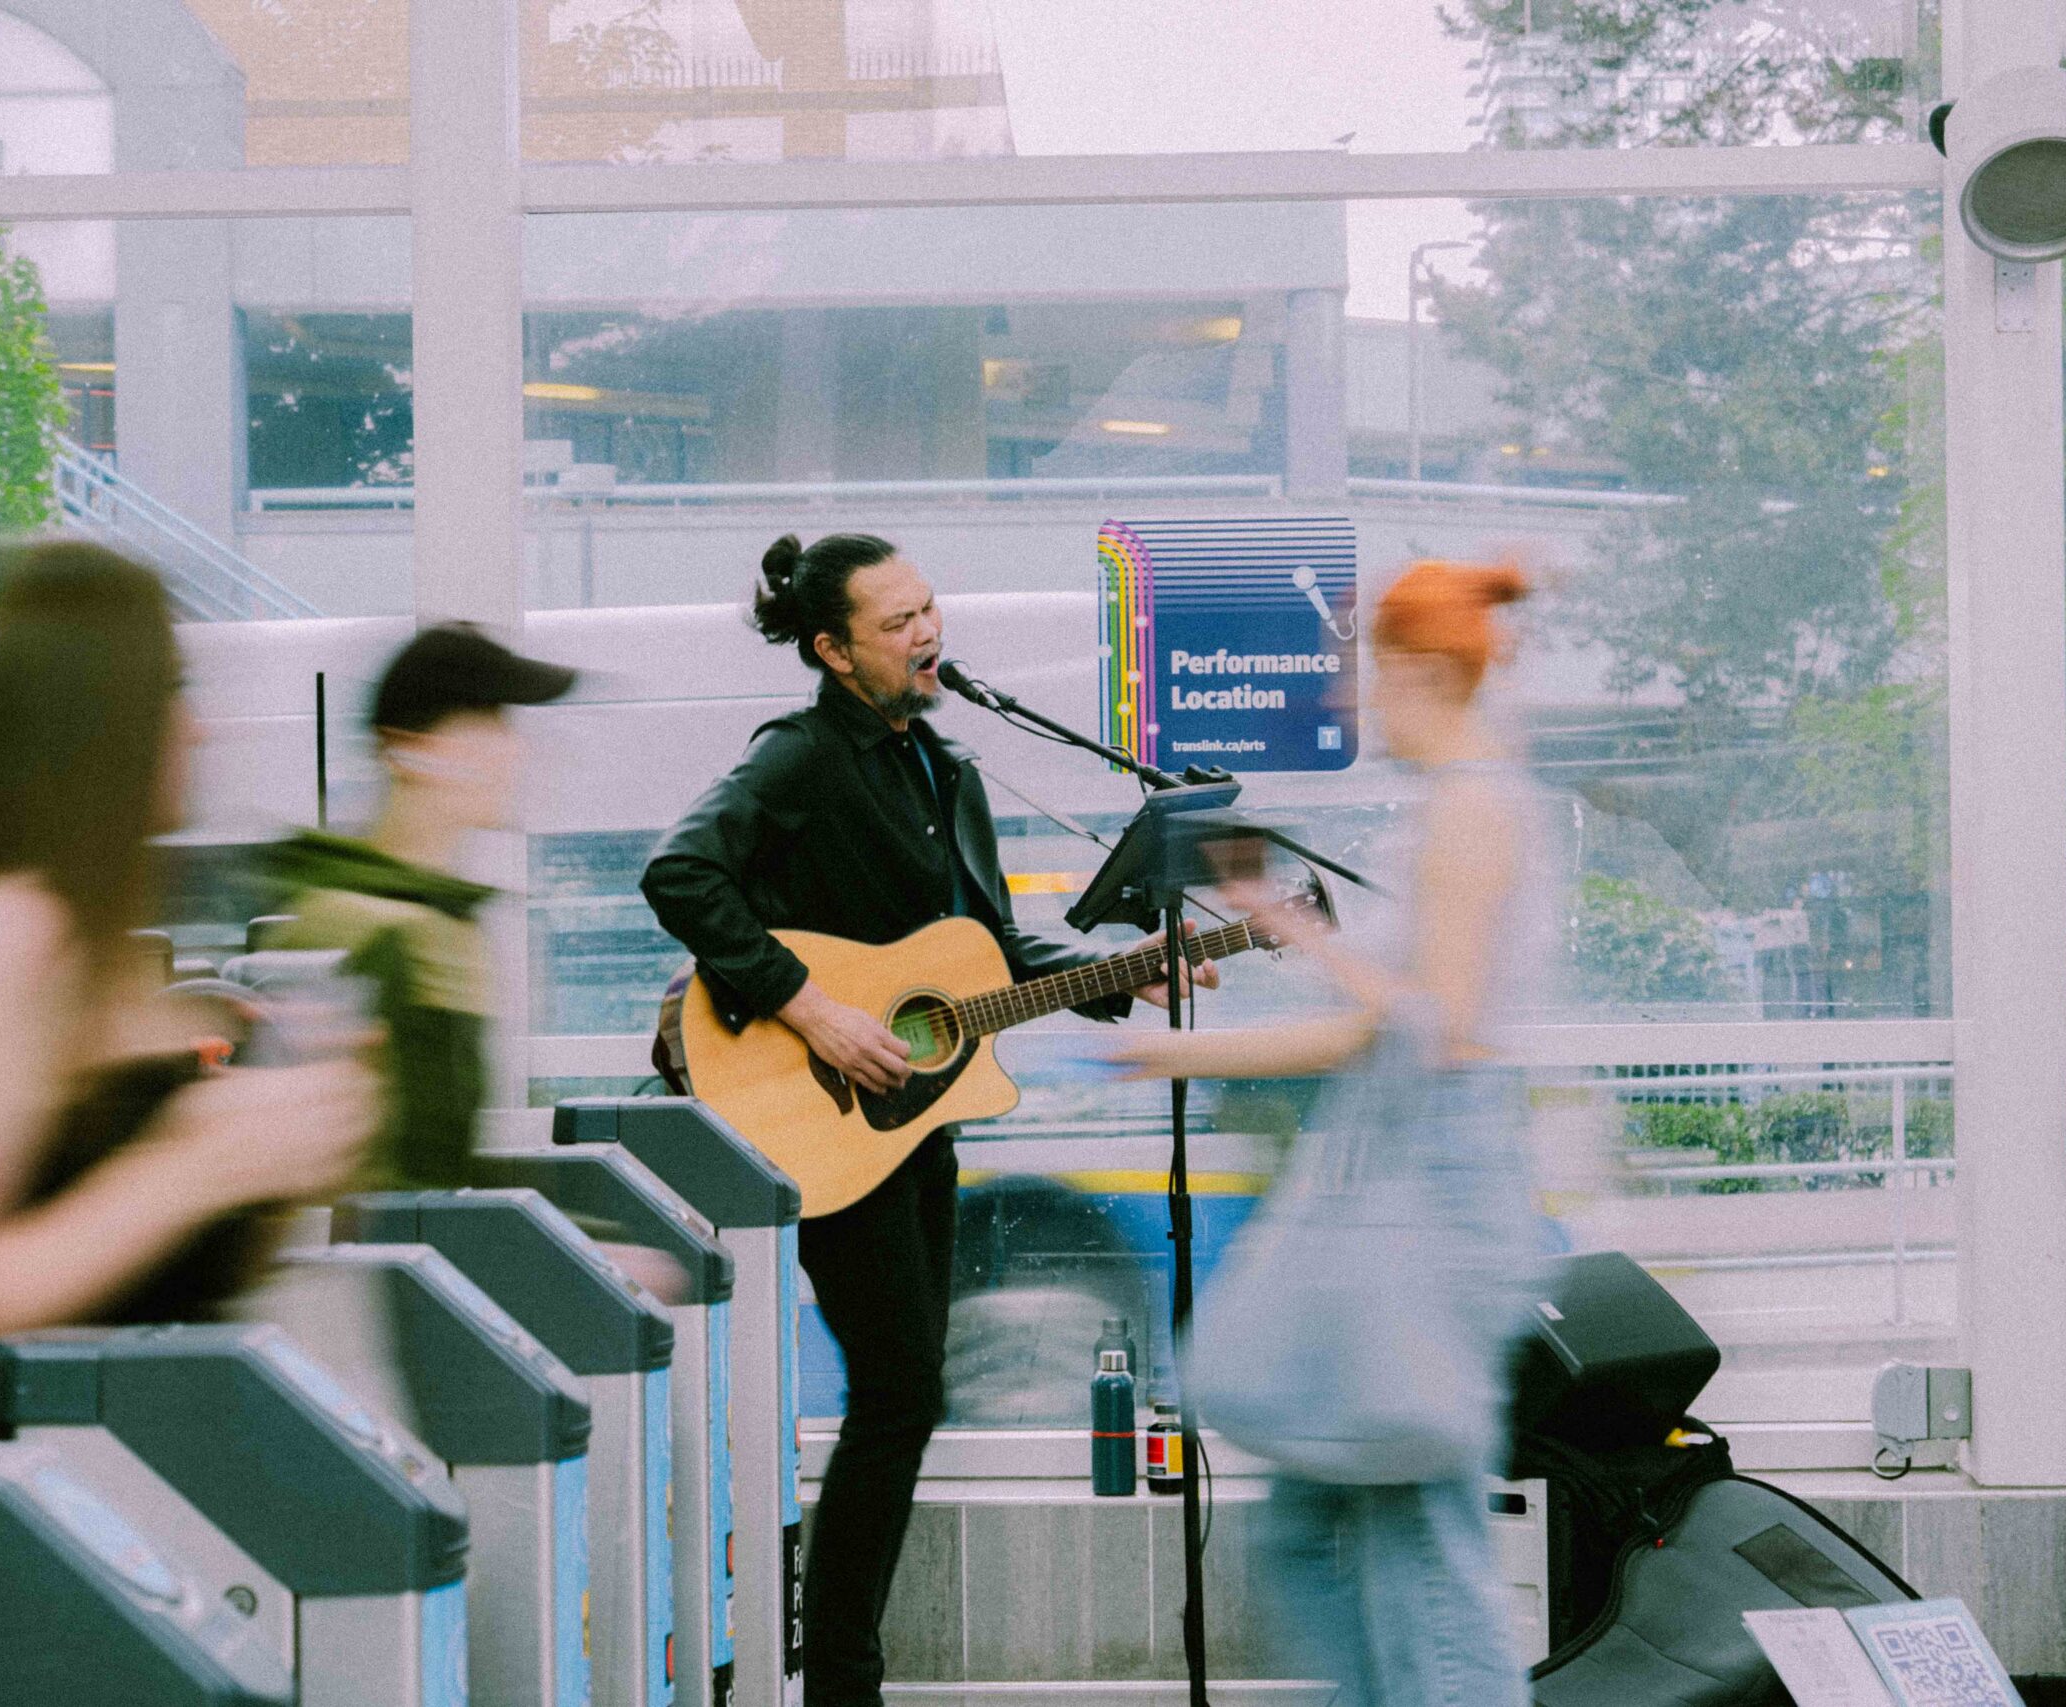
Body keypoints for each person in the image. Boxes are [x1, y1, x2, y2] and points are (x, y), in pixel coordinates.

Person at [639, 532, 1211, 1707]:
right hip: (822, 1115)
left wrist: (1123, 972)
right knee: (900, 1391)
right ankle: (842, 1677)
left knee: (906, 1391)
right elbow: (681, 874)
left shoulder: (945, 772)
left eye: (929, 609)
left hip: (912, 1127)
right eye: (896, 623)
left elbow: (986, 955)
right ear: (832, 651)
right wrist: (809, 1009)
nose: (927, 634)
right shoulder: (796, 759)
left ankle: (838, 1666)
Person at [1114, 560, 1547, 1707]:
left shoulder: (1471, 809)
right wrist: (1280, 926)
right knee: (1313, 1530)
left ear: (1415, 670)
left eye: (1366, 676)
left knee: (1417, 1547)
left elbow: (1415, 1026)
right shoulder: (1466, 803)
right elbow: (1406, 1013)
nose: (1353, 703)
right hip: (1420, 1182)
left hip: (1431, 1197)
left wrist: (1202, 1028)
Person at [0, 542, 379, 1343]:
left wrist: (277, 1154)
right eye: (172, 687)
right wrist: (196, 1164)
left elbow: (155, 1276)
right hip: (42, 1457)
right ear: (97, 709)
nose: (200, 731)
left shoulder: (104, 944)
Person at [256, 622, 574, 1190]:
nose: (516, 747)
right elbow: (371, 1187)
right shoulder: (351, 929)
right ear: (406, 751)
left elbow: (444, 1169)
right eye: (489, 719)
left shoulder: (441, 920)